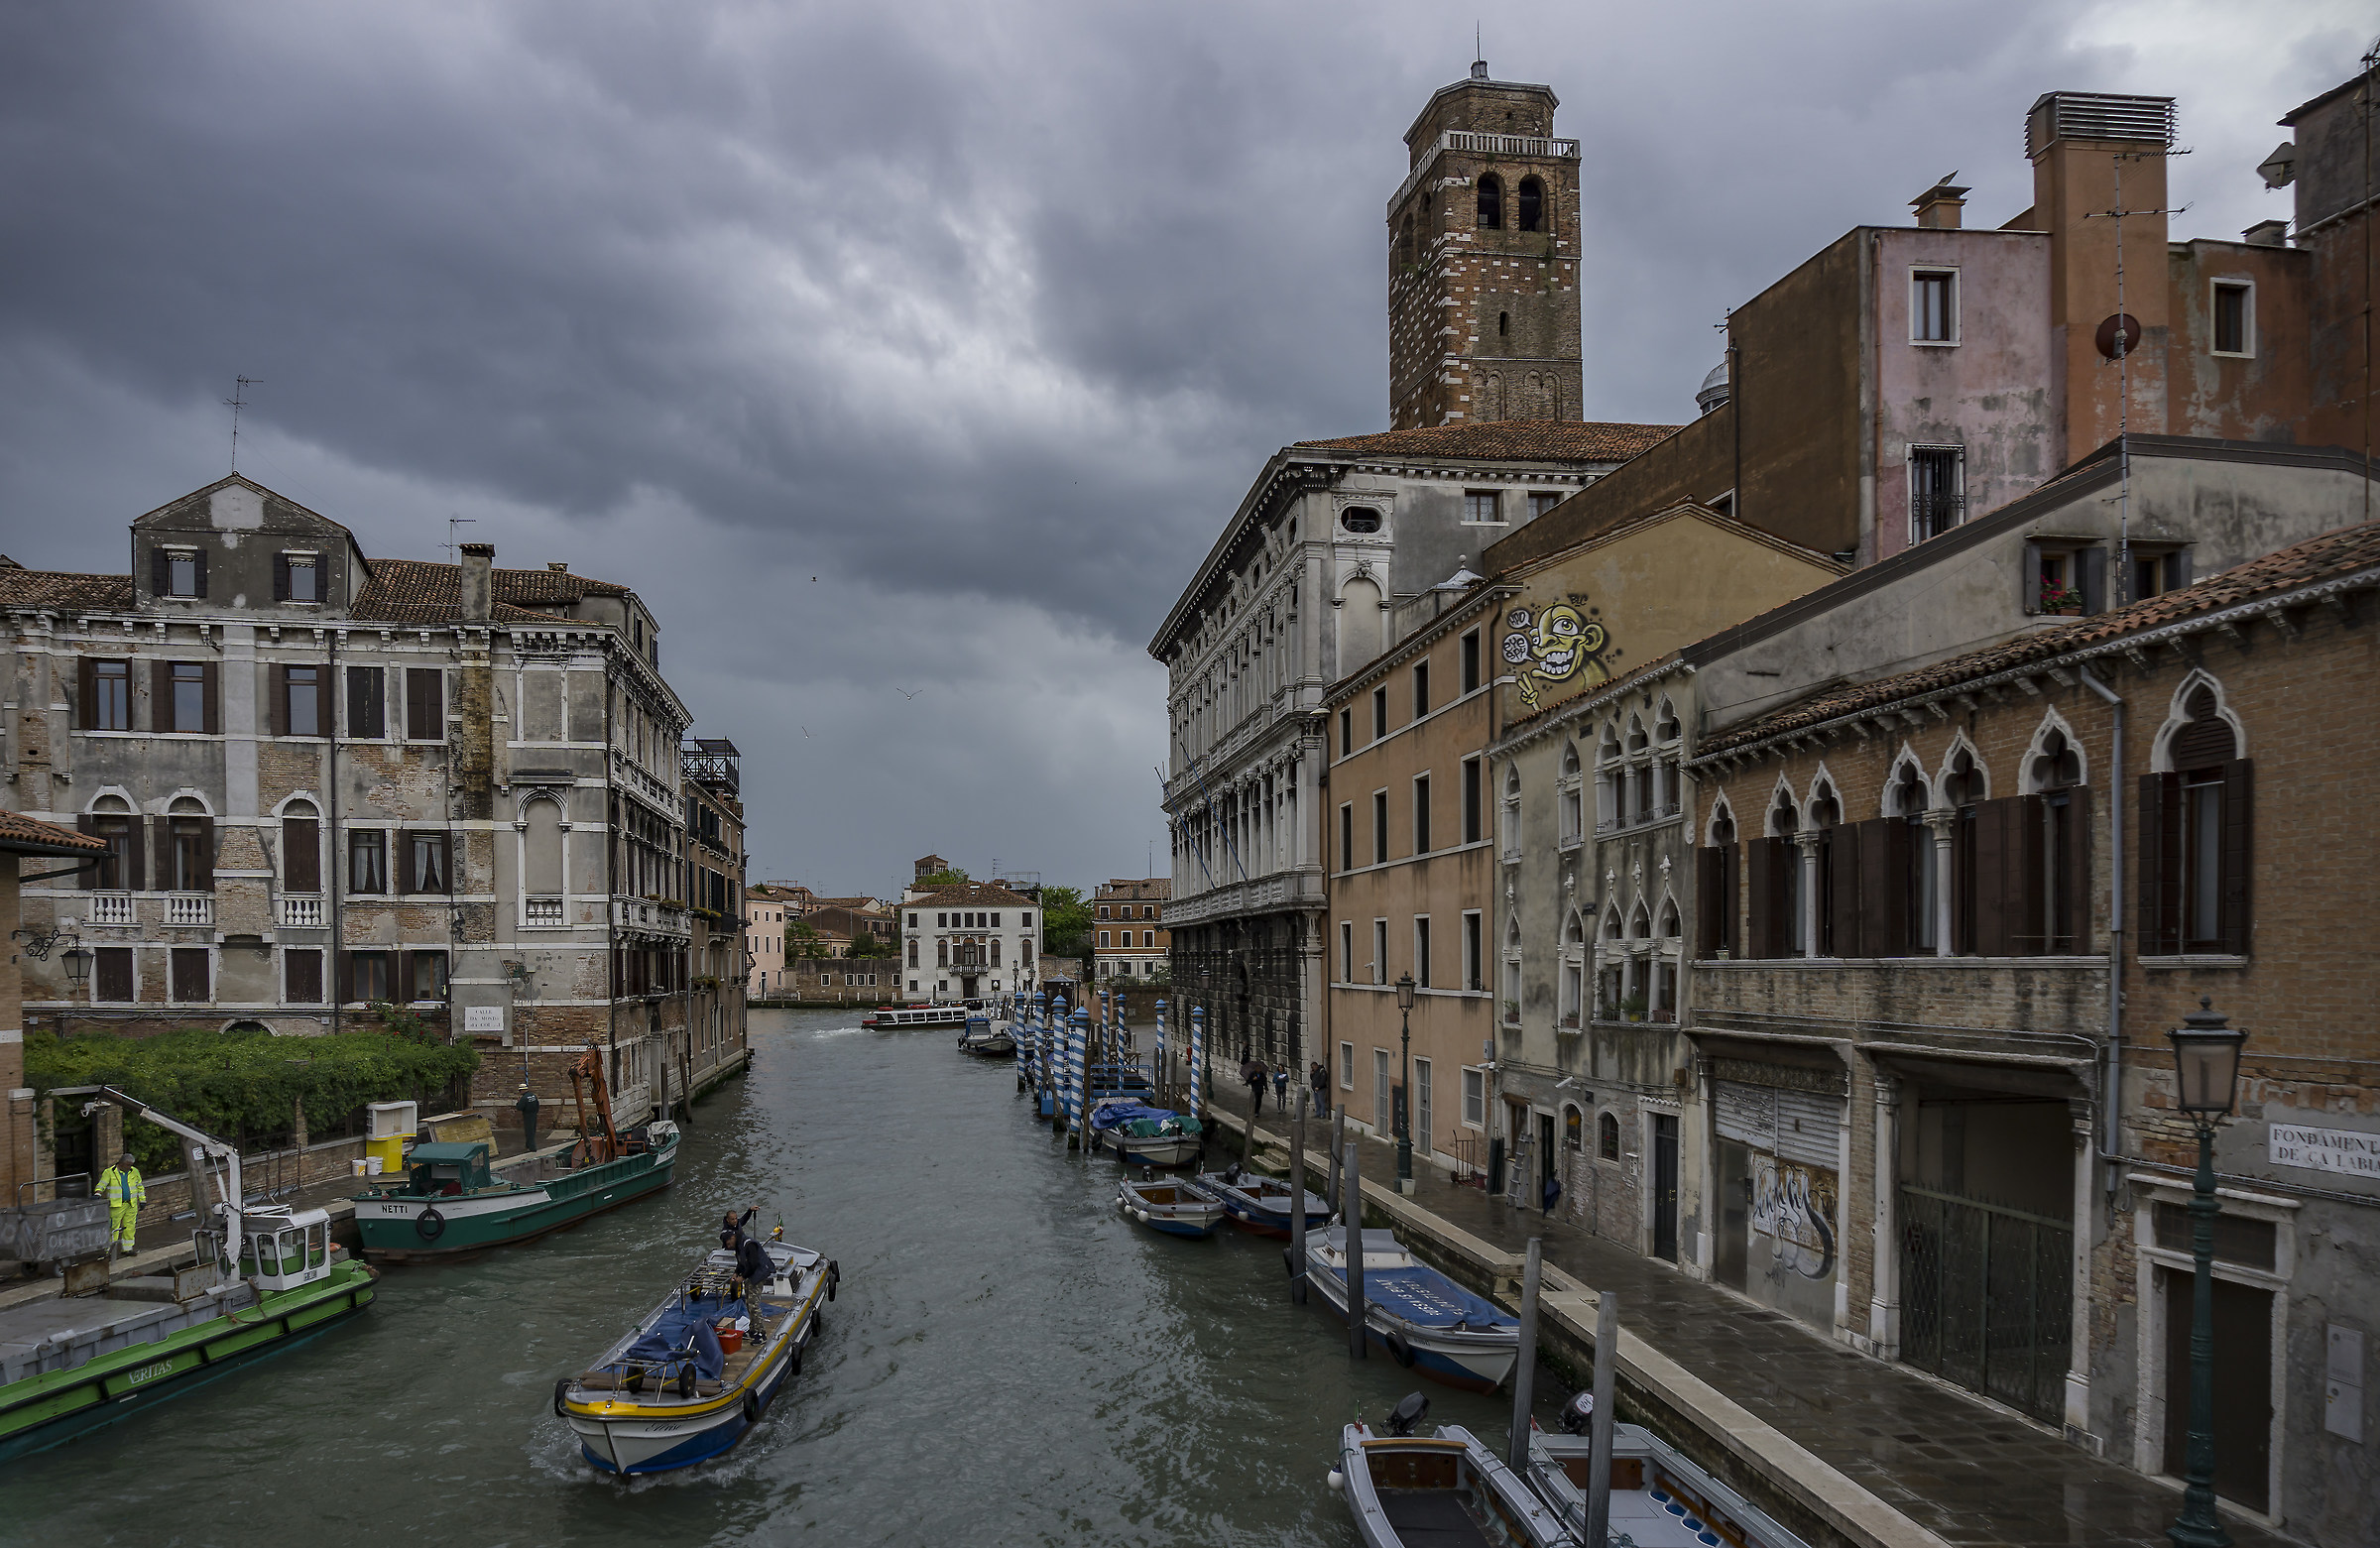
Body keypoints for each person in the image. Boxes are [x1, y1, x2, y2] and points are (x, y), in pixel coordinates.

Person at [95, 1150, 145, 1256]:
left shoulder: (134, 1171)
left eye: (131, 1165)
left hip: (131, 1204)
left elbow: (140, 1187)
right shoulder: (109, 1172)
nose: (129, 1167)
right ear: (121, 1163)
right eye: (128, 1165)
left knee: (130, 1227)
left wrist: (142, 1200)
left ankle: (127, 1249)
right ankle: (109, 1251)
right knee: (113, 1228)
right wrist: (97, 1193)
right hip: (116, 1205)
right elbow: (102, 1184)